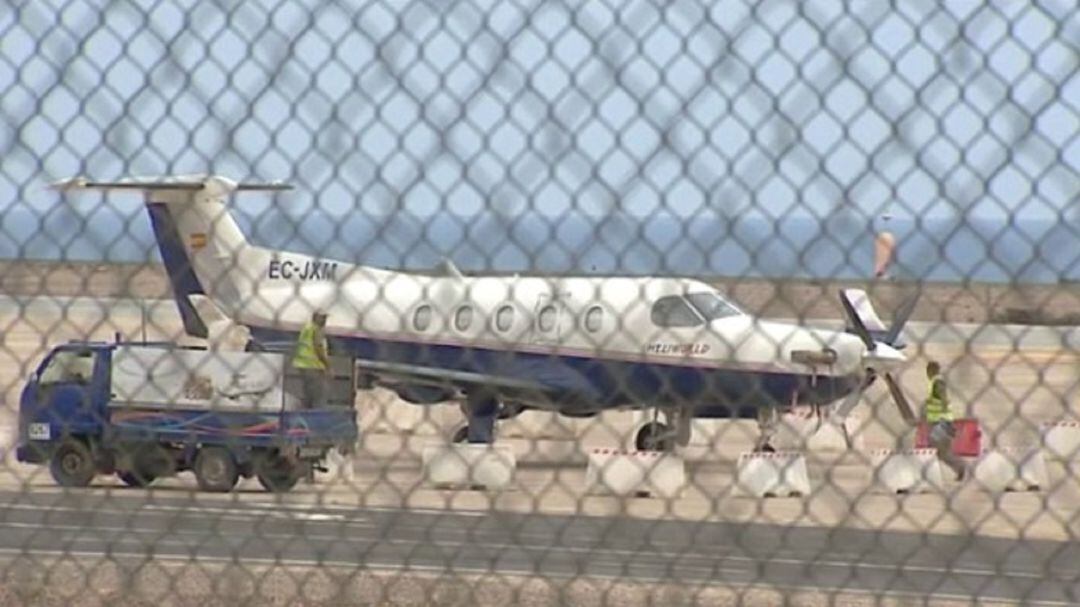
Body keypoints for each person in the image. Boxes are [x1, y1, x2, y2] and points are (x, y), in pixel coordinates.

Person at [924, 360, 966, 480]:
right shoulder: (933, 382)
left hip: (941, 422)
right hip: (938, 421)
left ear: (930, 371)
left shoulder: (937, 381)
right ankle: (959, 467)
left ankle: (958, 466)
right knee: (942, 453)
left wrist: (943, 405)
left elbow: (943, 397)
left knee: (933, 444)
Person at [293, 309, 331, 409]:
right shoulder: (316, 329)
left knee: (309, 395)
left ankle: (307, 415)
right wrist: (327, 366)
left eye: (325, 318)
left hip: (303, 365)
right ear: (315, 317)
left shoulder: (307, 327)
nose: (325, 320)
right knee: (319, 395)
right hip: (313, 366)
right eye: (323, 317)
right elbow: (318, 347)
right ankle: (317, 418)